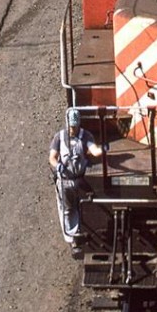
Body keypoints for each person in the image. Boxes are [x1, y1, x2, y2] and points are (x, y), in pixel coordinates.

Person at [49, 108, 103, 254]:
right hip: (65, 181)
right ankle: (73, 241)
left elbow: (94, 150)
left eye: (75, 126)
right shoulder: (59, 137)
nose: (73, 129)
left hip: (80, 180)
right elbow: (52, 157)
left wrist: (103, 149)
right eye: (71, 126)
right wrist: (58, 166)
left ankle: (85, 232)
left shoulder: (85, 136)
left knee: (84, 207)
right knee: (67, 210)